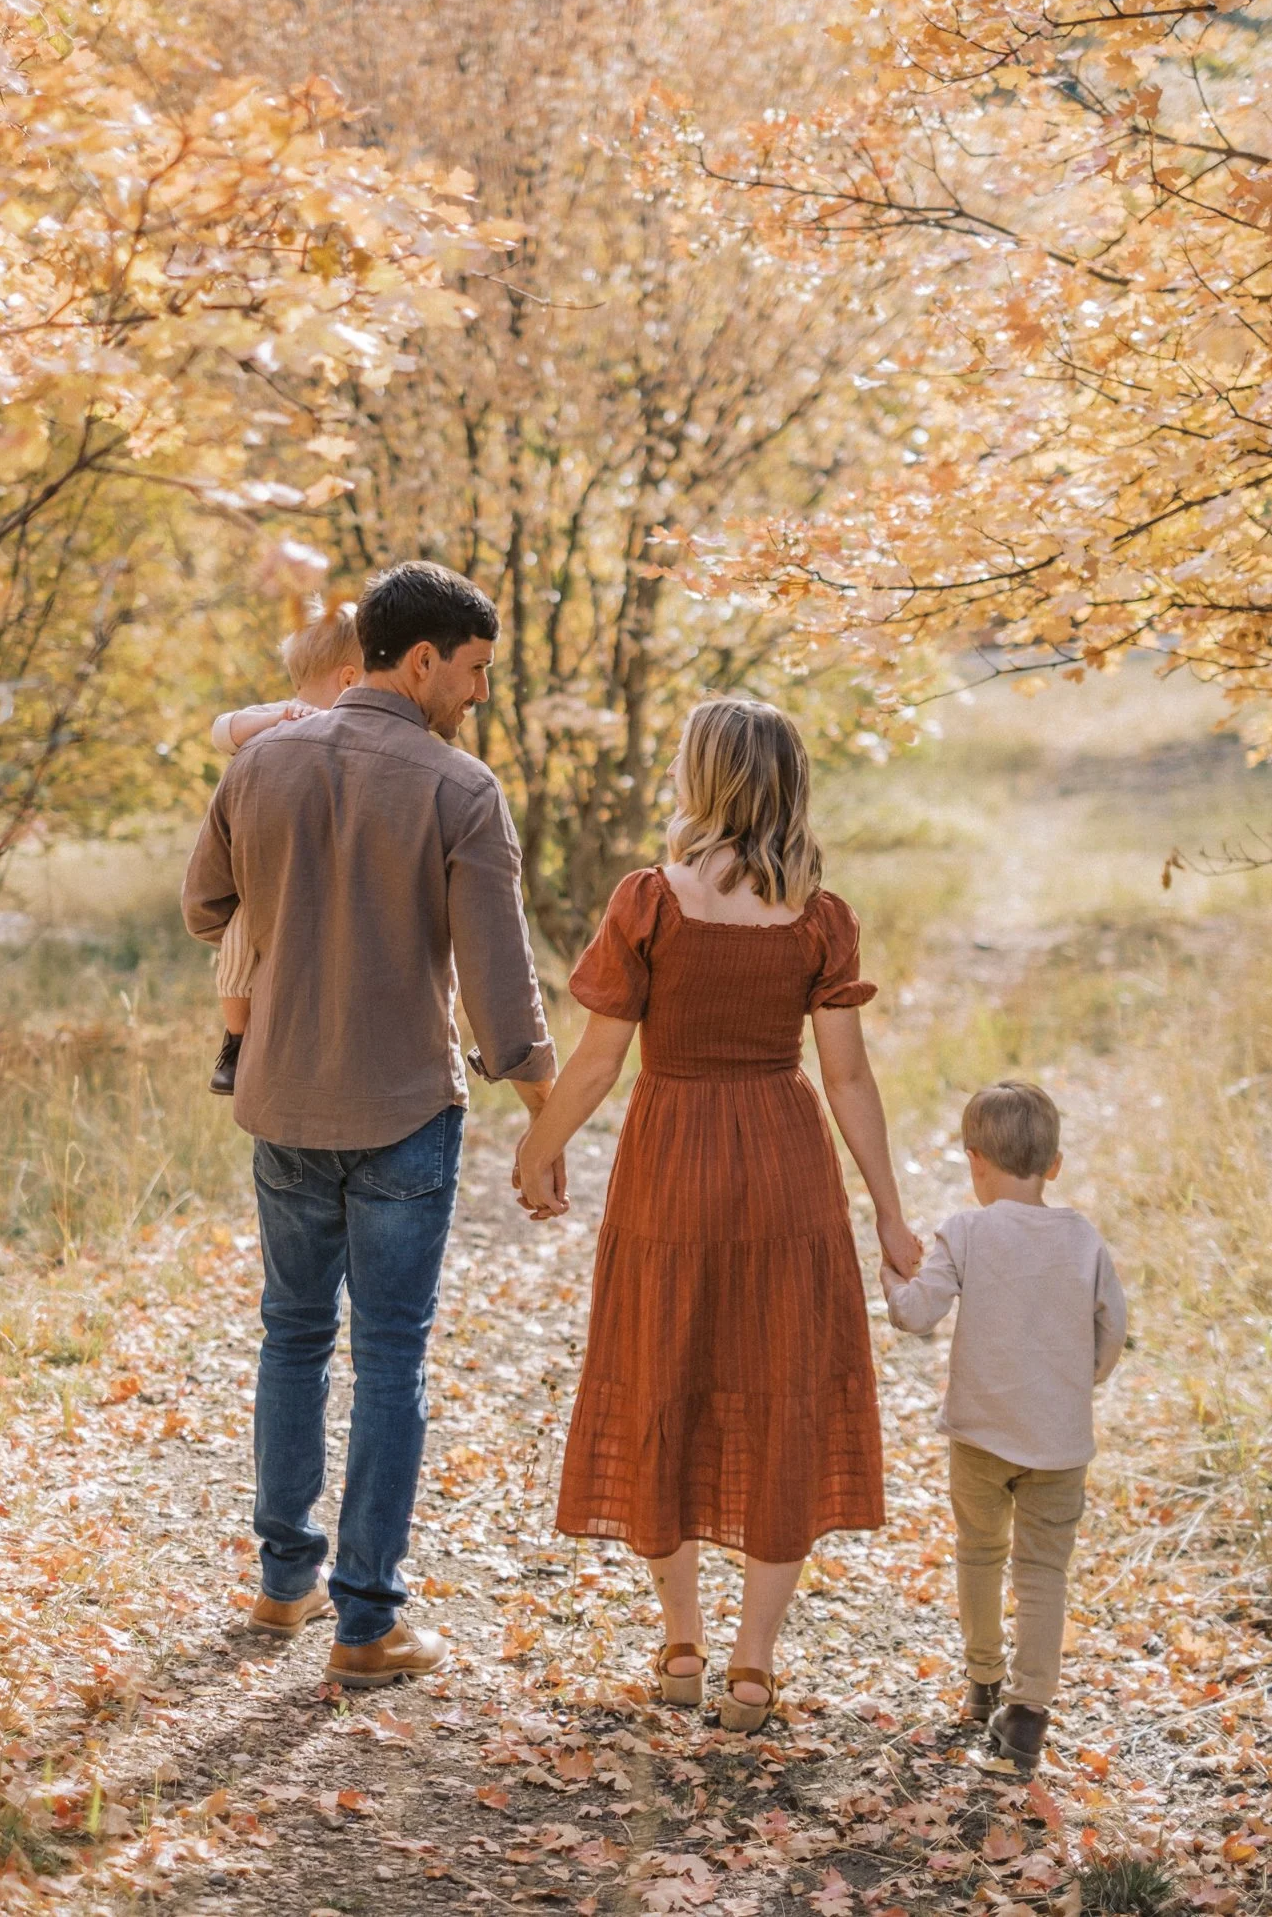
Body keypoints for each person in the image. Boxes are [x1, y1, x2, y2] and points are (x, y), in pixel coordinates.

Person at [182, 560, 558, 1689]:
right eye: (476, 670)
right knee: (389, 1358)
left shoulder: (262, 762)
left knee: (292, 1335)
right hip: (400, 1111)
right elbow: (501, 986)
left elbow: (206, 905)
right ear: (422, 658)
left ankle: (280, 1582)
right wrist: (549, 1112)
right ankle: (366, 1626)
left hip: (283, 1099)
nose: (480, 694)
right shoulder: (459, 788)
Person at [516, 697, 921, 1732]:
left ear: (703, 779)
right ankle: (752, 1666)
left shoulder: (650, 900)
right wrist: (887, 1210)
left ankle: (680, 1643)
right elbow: (850, 1080)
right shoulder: (820, 916)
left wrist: (538, 1145)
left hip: (673, 1161)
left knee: (664, 1375)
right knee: (781, 1389)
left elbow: (601, 1060)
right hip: (786, 1165)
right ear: (788, 781)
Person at [881, 1080, 1127, 1776]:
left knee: (979, 1555)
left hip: (979, 1435)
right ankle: (1025, 1715)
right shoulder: (1083, 1239)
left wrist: (890, 1277)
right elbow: (1112, 1327)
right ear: (1052, 1166)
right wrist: (1083, 1379)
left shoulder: (965, 1230)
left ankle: (982, 1678)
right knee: (1043, 1572)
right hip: (1059, 1442)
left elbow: (916, 1315)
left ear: (973, 1161)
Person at [205, 598, 363, 1097]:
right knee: (235, 947)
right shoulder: (276, 720)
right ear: (349, 680)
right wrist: (273, 716)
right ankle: (235, 1039)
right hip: (267, 875)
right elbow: (220, 730)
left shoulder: (361, 733)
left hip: (310, 864)